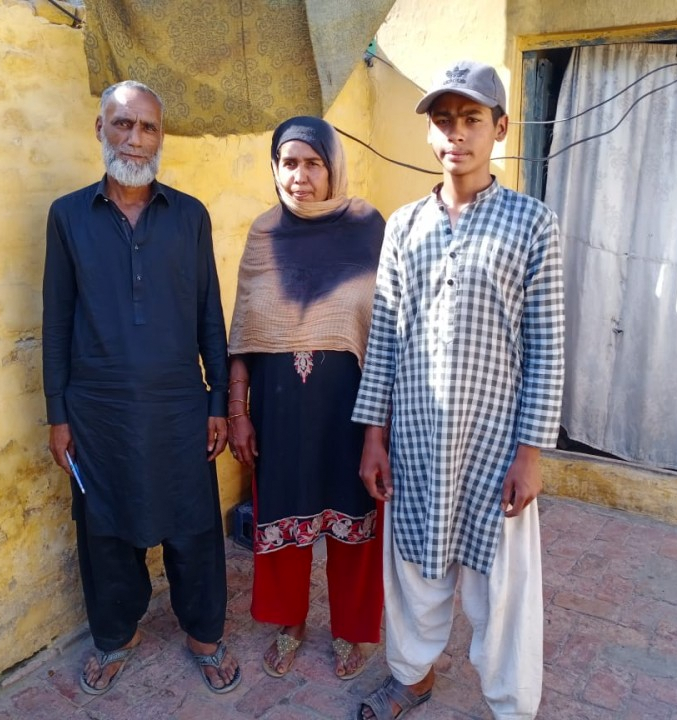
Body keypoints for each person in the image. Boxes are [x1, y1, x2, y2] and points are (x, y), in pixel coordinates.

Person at [352, 60, 565, 720]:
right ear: (430, 134)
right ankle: (411, 677)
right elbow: (383, 333)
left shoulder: (532, 224)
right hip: (414, 436)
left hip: (494, 442)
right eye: (443, 120)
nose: (456, 134)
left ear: (500, 127)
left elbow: (547, 347)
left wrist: (530, 455)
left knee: (502, 588)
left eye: (472, 119)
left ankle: (510, 705)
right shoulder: (403, 226)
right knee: (413, 569)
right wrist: (374, 436)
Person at [41, 80, 241, 697]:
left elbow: (211, 313)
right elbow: (57, 318)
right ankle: (116, 636)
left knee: (194, 526)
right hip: (96, 411)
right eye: (123, 124)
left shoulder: (190, 215)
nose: (135, 138)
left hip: (180, 406)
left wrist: (217, 402)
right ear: (100, 130)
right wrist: (58, 414)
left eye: (148, 127)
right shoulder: (69, 216)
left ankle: (205, 636)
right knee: (103, 527)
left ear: (161, 137)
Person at [227, 116, 385, 681]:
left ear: (332, 167)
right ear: (274, 169)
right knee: (282, 521)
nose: (300, 176)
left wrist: (379, 428)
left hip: (351, 412)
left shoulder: (367, 227)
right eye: (288, 164)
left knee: (357, 523)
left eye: (312, 163)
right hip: (279, 413)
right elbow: (243, 331)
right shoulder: (263, 234)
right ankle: (289, 622)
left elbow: (385, 327)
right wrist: (238, 413)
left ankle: (352, 630)